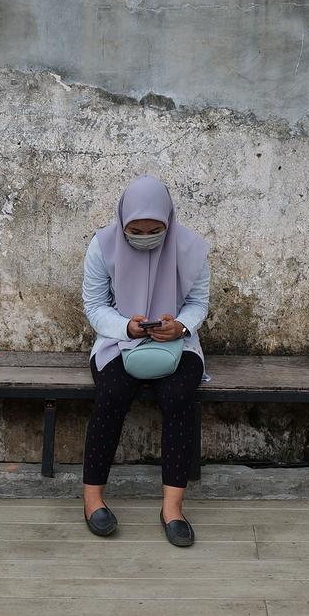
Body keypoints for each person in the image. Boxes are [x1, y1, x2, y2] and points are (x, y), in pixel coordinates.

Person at [80, 174, 211, 547]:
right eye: (135, 230)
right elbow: (94, 306)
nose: (146, 236)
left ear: (169, 222)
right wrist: (127, 327)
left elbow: (198, 303)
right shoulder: (102, 246)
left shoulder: (189, 248)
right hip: (119, 342)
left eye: (156, 229)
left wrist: (181, 326)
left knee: (179, 396)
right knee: (112, 394)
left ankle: (173, 507)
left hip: (177, 345)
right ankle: (92, 499)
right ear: (122, 222)